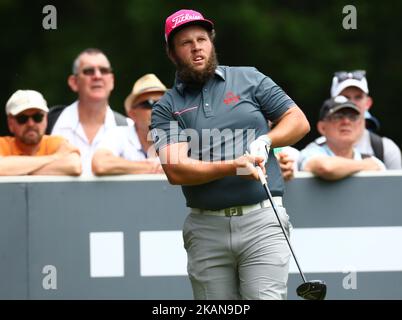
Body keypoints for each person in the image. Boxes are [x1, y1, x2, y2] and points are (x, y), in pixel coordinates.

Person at [151, 9, 310, 300]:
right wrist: (234, 166)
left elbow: (298, 120)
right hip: (205, 228)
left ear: (211, 43)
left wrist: (266, 140)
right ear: (172, 53)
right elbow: (176, 170)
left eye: (202, 38)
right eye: (185, 42)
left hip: (263, 220)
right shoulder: (165, 106)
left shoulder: (250, 78)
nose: (196, 46)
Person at [49, 48, 131, 175]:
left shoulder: (129, 127)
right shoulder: (48, 122)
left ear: (112, 81)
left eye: (104, 70)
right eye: (88, 71)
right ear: (74, 82)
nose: (97, 76)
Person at [92, 74, 165, 175]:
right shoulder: (118, 134)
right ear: (132, 114)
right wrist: (151, 167)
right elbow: (99, 164)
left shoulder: (180, 135)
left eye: (163, 103)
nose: (158, 109)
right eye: (149, 103)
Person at [299, 95, 385, 180]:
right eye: (338, 117)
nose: (346, 121)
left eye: (352, 117)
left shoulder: (371, 160)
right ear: (322, 127)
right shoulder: (309, 153)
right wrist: (365, 165)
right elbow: (326, 167)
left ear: (361, 125)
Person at [330, 70, 401, 169]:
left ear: (368, 103)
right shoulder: (316, 149)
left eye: (358, 97)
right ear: (331, 104)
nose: (352, 103)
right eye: (345, 97)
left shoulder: (387, 149)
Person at [0, 90, 81, 176]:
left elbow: (74, 166)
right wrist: (55, 157)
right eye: (22, 118)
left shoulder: (56, 142)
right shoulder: (2, 144)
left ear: (46, 118)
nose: (31, 124)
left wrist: (15, 170)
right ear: (10, 123)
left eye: (37, 117)